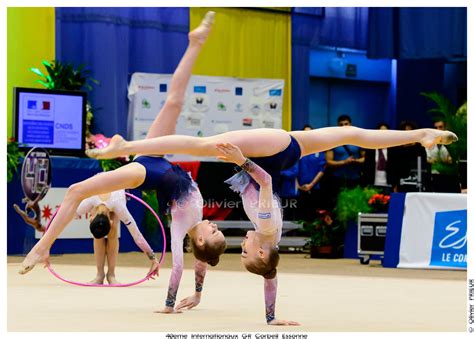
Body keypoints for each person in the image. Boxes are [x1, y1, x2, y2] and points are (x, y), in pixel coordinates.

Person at [19, 11, 227, 314]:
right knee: (175, 102)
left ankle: (42, 246)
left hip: (146, 173)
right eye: (219, 230)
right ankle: (195, 43)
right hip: (158, 157)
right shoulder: (199, 231)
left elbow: (181, 267)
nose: (214, 225)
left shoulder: (182, 230)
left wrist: (171, 305)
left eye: (214, 232)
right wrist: (197, 294)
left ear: (201, 240)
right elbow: (202, 264)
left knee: (76, 189)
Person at [216, 142, 300, 326]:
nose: (241, 246)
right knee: (198, 145)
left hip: (270, 154)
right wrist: (240, 160)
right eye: (245, 252)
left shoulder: (270, 240)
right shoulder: (266, 224)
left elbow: (269, 275)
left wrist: (271, 317)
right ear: (261, 252)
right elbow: (266, 181)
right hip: (267, 152)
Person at [74, 190, 155, 285]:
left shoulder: (119, 206)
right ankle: (99, 275)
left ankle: (111, 275)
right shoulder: (88, 201)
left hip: (118, 188)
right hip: (98, 184)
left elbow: (137, 235)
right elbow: (65, 216)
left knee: (113, 231)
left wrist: (153, 259)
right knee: (98, 230)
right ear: (91, 218)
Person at [426, 119, 460, 193]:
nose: (438, 130)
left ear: (445, 128)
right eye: (436, 128)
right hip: (435, 176)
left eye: (440, 127)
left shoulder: (452, 143)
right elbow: (429, 159)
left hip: (451, 176)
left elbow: (451, 160)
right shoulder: (429, 143)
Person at [361, 122, 391, 190]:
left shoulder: (393, 150)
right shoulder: (370, 149)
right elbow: (367, 167)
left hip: (388, 183)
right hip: (372, 183)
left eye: (385, 133)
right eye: (381, 133)